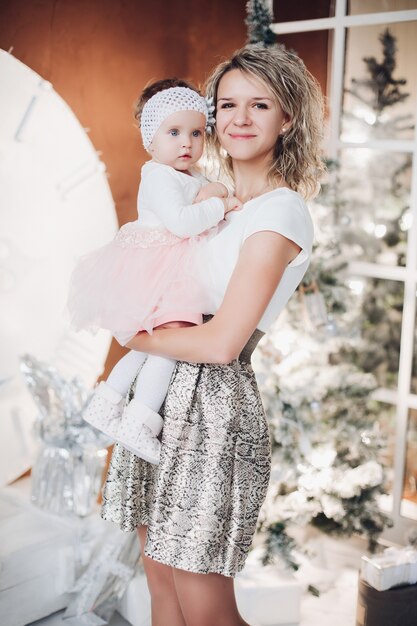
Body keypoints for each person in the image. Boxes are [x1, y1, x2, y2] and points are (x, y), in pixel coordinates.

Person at [101, 44, 325, 626]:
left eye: (260, 105)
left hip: (212, 410)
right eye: (227, 104)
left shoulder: (280, 213)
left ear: (288, 118)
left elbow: (222, 342)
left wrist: (136, 336)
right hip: (161, 397)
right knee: (160, 584)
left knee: (204, 608)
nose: (240, 119)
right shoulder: (203, 191)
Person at [67, 79, 241, 464]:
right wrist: (220, 206)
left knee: (155, 346)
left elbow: (202, 203)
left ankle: (108, 400)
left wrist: (213, 194)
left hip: (170, 268)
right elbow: (182, 222)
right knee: (169, 345)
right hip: (156, 268)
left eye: (196, 133)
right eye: (174, 132)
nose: (186, 143)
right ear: (152, 139)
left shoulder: (190, 176)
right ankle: (140, 419)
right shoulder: (158, 175)